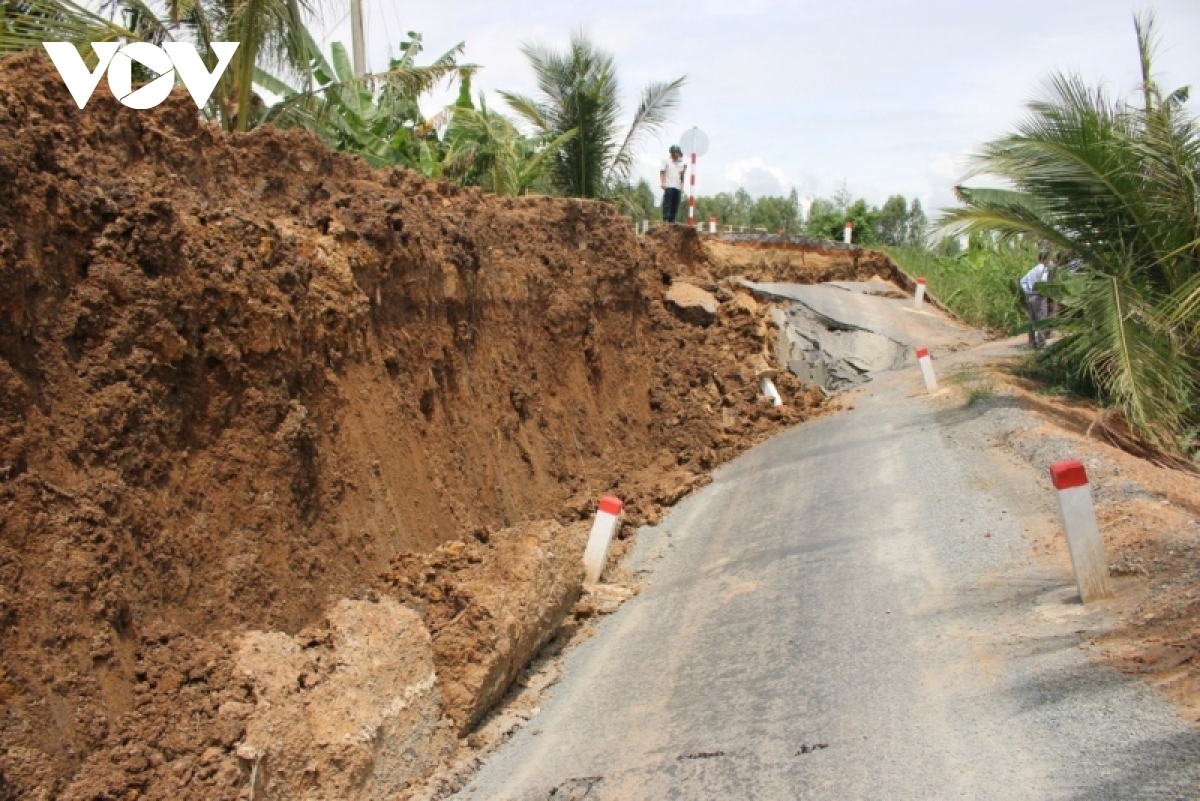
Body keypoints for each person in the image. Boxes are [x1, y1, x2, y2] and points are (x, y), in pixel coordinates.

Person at [1020, 251, 1052, 349]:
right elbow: (1042, 283)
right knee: (1041, 320)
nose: (1049, 261)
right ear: (1044, 259)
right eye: (1048, 259)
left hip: (1031, 297)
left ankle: (1031, 342)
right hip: (1039, 296)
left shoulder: (1033, 269)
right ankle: (1041, 343)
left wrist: (1028, 291)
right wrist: (1042, 291)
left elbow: (1022, 281)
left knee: (1032, 320)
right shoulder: (1044, 270)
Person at [660, 145, 687, 223]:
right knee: (667, 203)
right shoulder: (666, 161)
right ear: (672, 153)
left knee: (675, 204)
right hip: (669, 185)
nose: (677, 154)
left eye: (678, 153)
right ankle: (665, 219)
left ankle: (672, 220)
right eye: (675, 152)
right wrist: (662, 182)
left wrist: (682, 186)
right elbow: (662, 172)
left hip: (677, 186)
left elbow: (682, 176)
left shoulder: (680, 164)